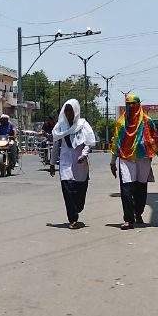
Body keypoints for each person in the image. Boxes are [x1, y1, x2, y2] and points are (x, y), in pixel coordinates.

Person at [110, 94, 158, 230]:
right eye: (128, 104)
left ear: (139, 104)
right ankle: (128, 219)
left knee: (141, 188)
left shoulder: (147, 121)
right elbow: (116, 142)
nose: (131, 106)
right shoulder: (121, 123)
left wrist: (153, 148)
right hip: (126, 158)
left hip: (143, 158)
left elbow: (155, 137)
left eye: (134, 103)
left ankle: (138, 212)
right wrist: (112, 161)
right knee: (126, 188)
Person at [49, 98, 95, 230]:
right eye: (66, 110)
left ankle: (77, 209)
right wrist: (52, 164)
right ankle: (73, 219)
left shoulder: (83, 125)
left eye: (71, 110)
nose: (69, 113)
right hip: (65, 163)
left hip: (80, 163)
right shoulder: (60, 126)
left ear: (76, 111)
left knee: (80, 195)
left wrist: (84, 155)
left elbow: (89, 143)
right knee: (67, 190)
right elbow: (56, 146)